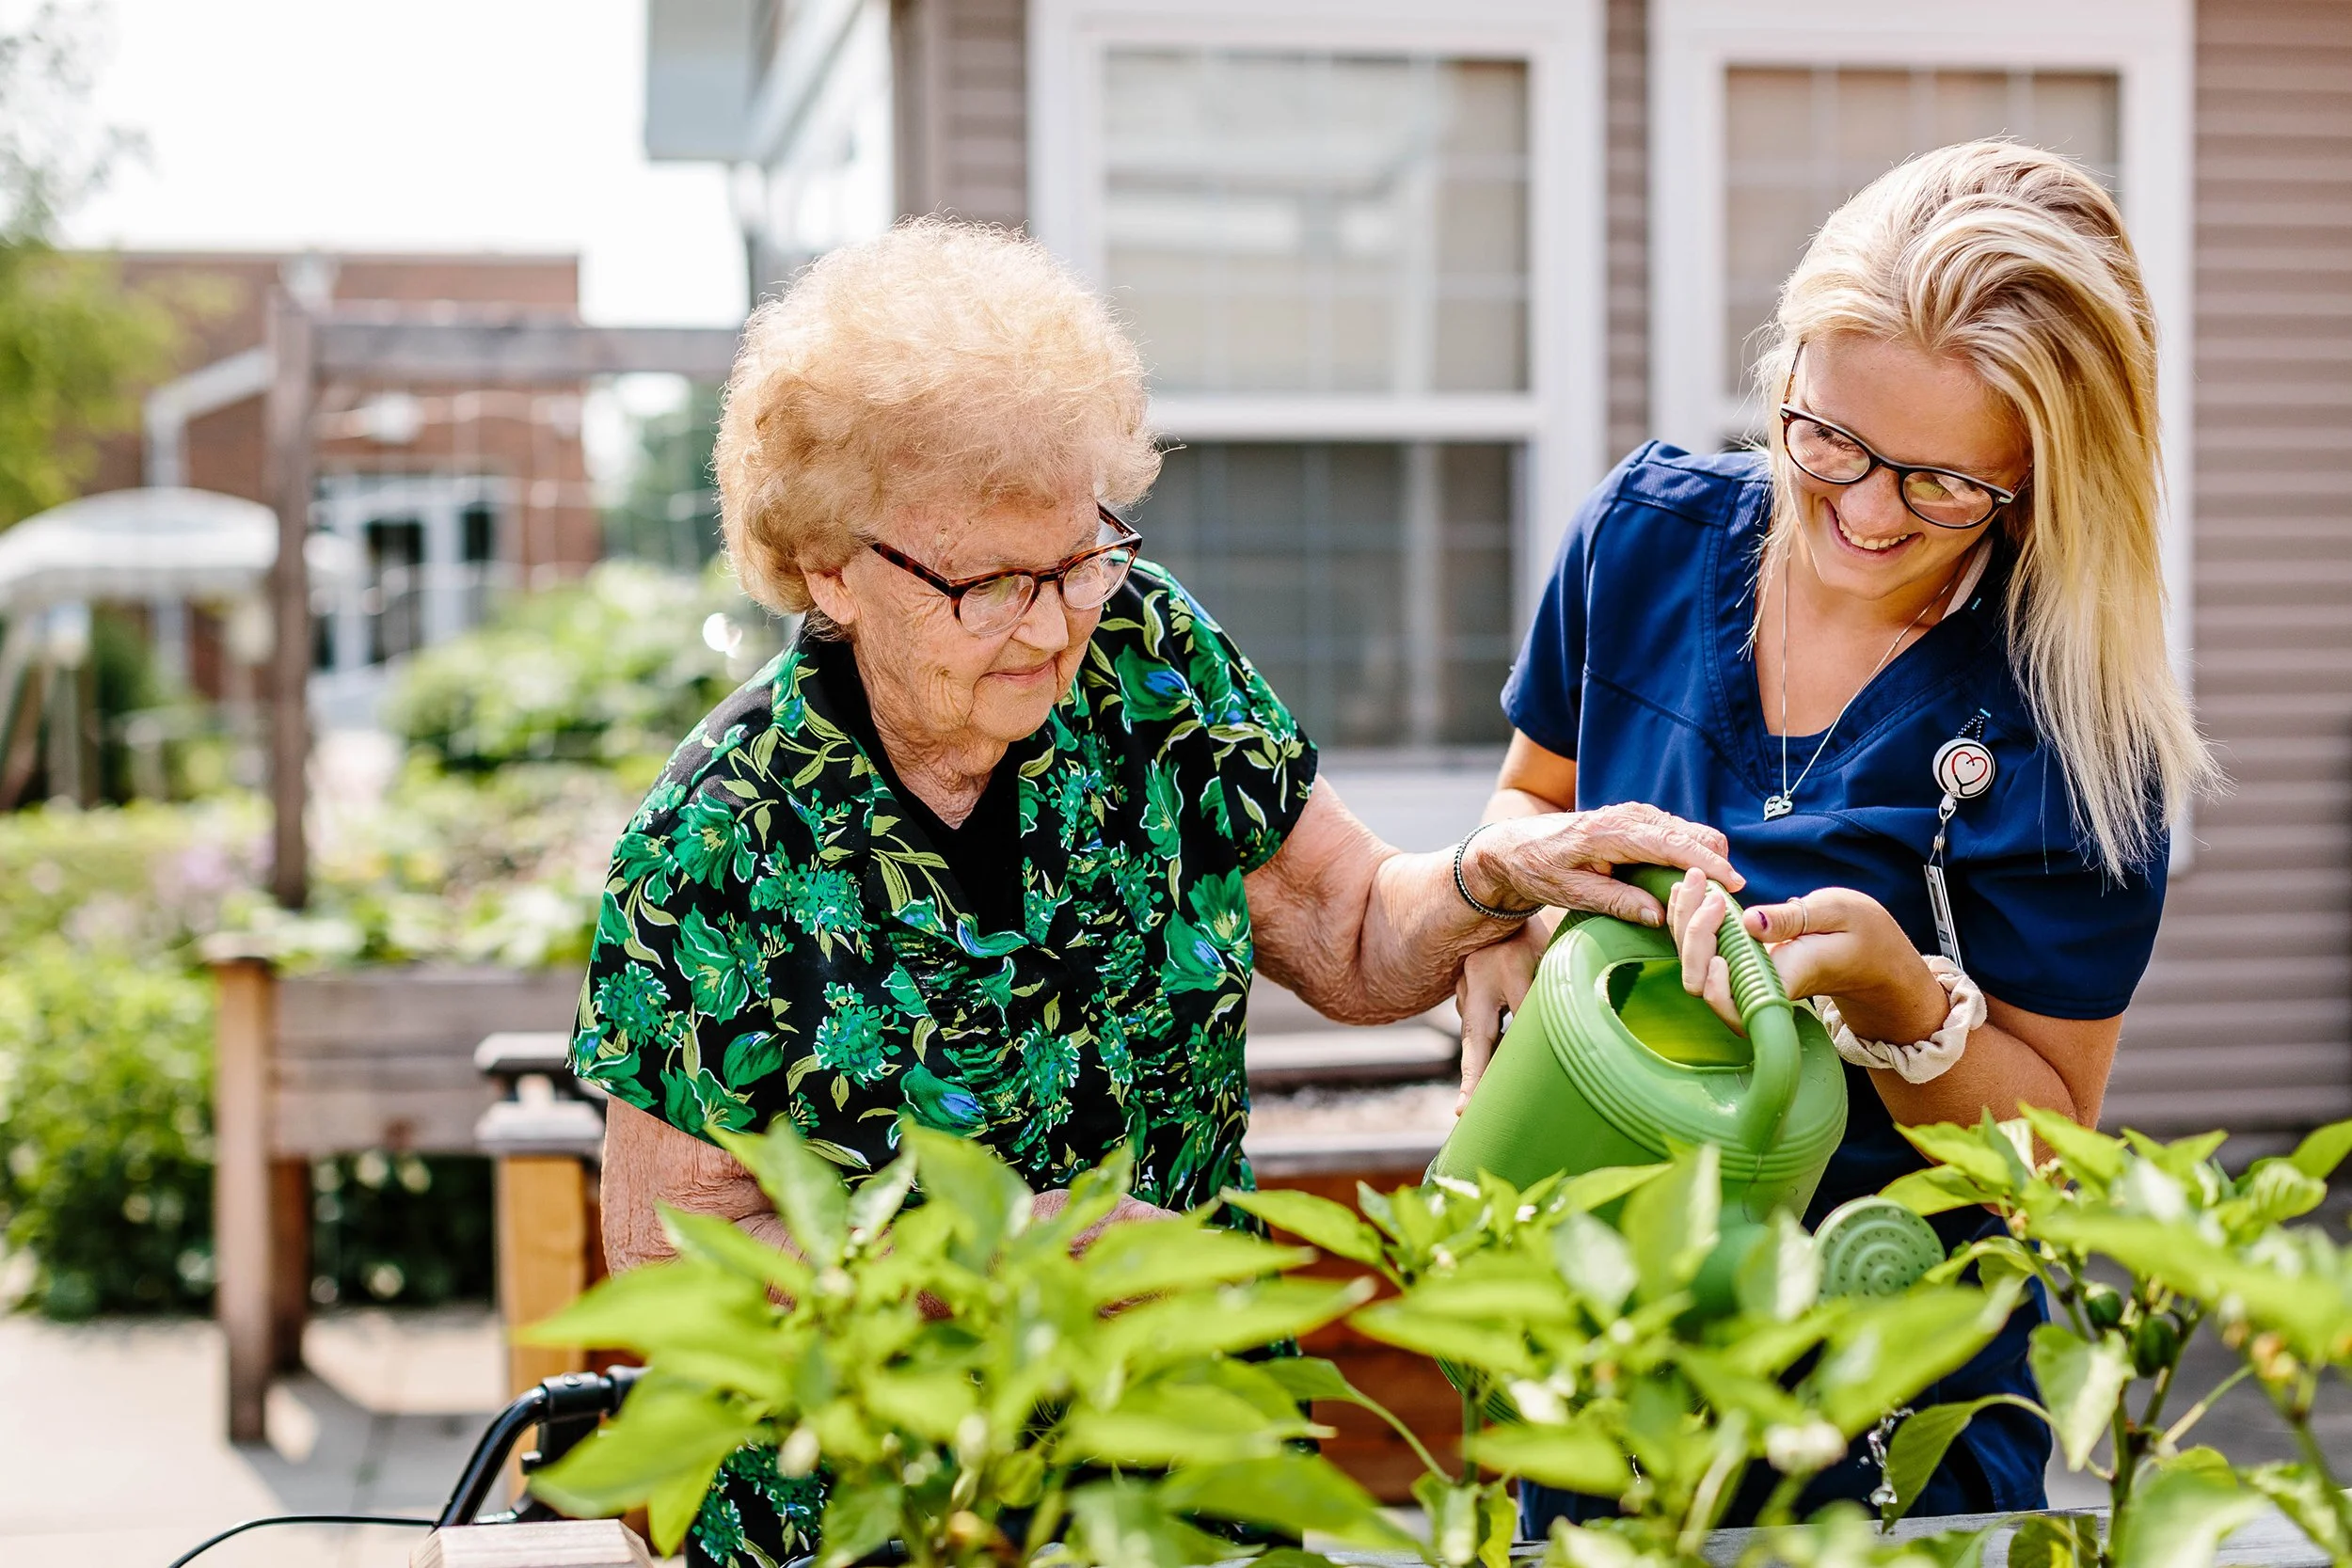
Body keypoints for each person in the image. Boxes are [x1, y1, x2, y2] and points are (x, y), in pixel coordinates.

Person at [567, 218, 1733, 1568]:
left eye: (1079, 554)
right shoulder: (717, 842)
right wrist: (1003, 1258)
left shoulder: (1145, 656)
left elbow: (1349, 928)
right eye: (991, 583)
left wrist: (1487, 875)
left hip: (1191, 1457)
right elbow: (671, 1264)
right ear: (831, 565)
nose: (1057, 621)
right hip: (888, 1508)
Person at [1458, 141, 2217, 1527]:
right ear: (1788, 373)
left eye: (1942, 486)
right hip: (1598, 1354)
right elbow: (1532, 796)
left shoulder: (2074, 735)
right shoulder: (1642, 541)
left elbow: (2053, 1155)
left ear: (2040, 481)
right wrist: (1508, 914)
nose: (1866, 513)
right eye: (1833, 441)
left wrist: (1903, 1001)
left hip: (1891, 1401)